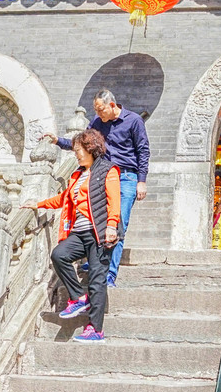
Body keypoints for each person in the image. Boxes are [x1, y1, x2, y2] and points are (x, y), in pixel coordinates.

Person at [55, 89, 149, 287]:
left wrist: (142, 180)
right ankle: (96, 261)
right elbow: (83, 142)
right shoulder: (98, 123)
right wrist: (58, 142)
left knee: (118, 224)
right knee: (96, 221)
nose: (98, 114)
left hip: (126, 178)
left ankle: (110, 275)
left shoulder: (133, 121)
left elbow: (143, 150)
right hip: (102, 177)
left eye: (101, 109)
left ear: (112, 105)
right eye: (96, 110)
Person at [36, 128, 121, 343]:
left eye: (78, 150)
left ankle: (95, 329)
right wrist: (38, 204)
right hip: (79, 232)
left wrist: (111, 226)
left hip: (99, 233)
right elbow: (64, 199)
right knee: (59, 255)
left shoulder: (107, 170)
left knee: (96, 280)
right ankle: (78, 298)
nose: (76, 154)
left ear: (90, 148)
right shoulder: (77, 174)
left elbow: (114, 202)